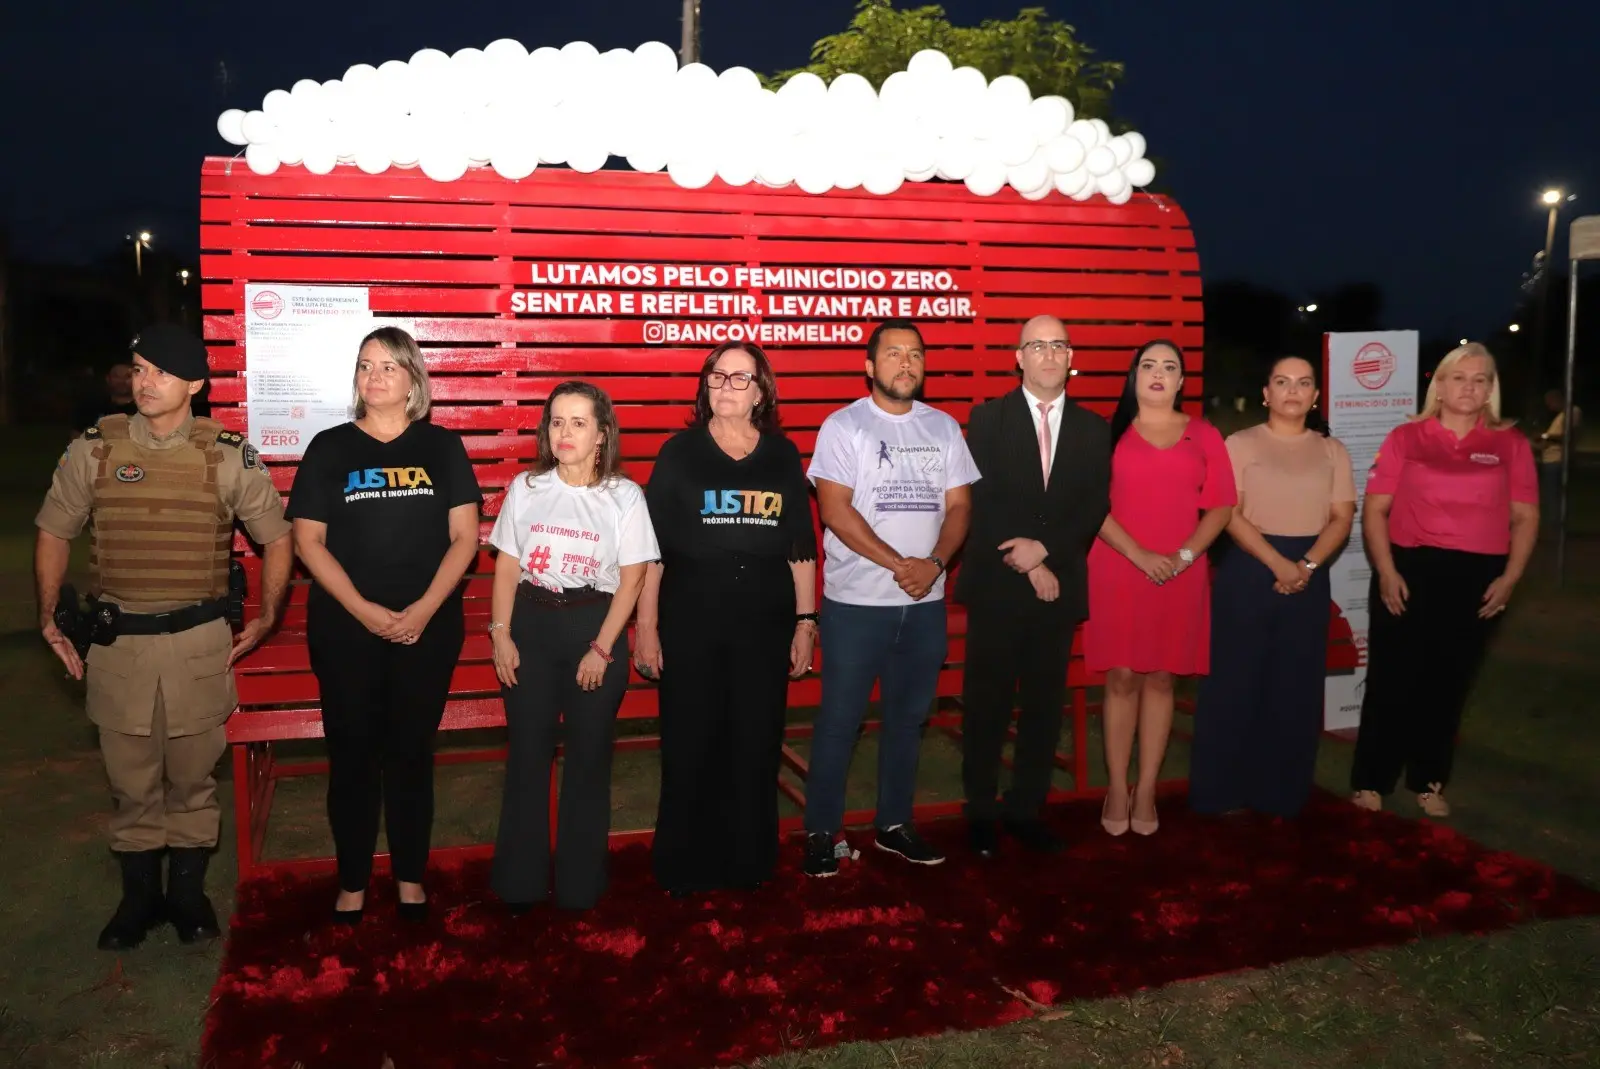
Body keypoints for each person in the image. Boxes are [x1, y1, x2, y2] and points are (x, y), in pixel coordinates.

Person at [35, 324, 292, 950]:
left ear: (196, 386)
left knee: (194, 779)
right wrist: (47, 614)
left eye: (160, 372)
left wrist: (265, 616)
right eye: (139, 368)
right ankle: (138, 900)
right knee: (130, 780)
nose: (143, 382)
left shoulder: (227, 454)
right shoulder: (95, 449)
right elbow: (53, 531)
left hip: (197, 646)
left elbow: (277, 537)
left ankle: (187, 896)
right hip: (119, 645)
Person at [287, 327, 482, 923]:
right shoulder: (329, 449)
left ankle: (409, 877)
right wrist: (366, 611)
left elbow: (465, 537)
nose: (375, 377)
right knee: (351, 756)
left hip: (427, 630)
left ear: (414, 381)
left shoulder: (443, 448)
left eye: (389, 367)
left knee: (409, 754)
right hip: (347, 630)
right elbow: (308, 542)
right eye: (366, 365)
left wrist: (422, 610)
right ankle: (351, 880)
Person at [634, 343, 817, 896]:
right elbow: (651, 550)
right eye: (717, 376)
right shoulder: (678, 454)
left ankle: (749, 863)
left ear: (761, 391)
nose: (727, 385)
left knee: (756, 742)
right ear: (704, 386)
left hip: (765, 625)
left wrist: (806, 621)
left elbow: (801, 545)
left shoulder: (783, 456)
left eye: (741, 377)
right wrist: (646, 627)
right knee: (690, 743)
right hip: (690, 623)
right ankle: (684, 865)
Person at [802, 319, 980, 877]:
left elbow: (959, 508)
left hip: (924, 607)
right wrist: (901, 564)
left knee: (908, 721)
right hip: (857, 604)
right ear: (870, 365)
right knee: (839, 721)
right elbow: (834, 509)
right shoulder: (844, 426)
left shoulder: (945, 428)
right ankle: (821, 832)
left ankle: (894, 824)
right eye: (894, 354)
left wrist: (934, 566)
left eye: (916, 354)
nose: (906, 363)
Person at [488, 381, 658, 912]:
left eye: (578, 423)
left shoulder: (625, 496)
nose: (565, 433)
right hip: (530, 626)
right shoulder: (527, 487)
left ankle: (581, 886)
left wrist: (602, 649)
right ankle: (519, 882)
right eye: (557, 422)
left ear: (602, 435)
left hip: (594, 627)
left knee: (587, 761)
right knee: (527, 759)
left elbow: (632, 579)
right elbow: (507, 565)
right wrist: (501, 635)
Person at [1350, 343, 1538, 817]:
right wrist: (1386, 570)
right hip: (1409, 570)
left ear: (1491, 389)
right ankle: (1371, 780)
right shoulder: (1406, 437)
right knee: (1392, 680)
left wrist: (1510, 579)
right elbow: (1374, 510)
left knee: (1448, 682)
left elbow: (1525, 517)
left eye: (1480, 379)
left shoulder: (1510, 444)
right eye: (1460, 377)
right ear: (1441, 385)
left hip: (1477, 577)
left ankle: (1429, 780)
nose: (1469, 387)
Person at [958, 315, 1110, 857]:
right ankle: (979, 810)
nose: (1049, 353)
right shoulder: (987, 419)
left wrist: (1047, 552)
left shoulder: (1094, 428)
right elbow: (983, 498)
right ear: (1019, 357)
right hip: (999, 582)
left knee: (1044, 708)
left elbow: (1093, 505)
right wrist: (1029, 561)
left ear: (1071, 358)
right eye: (1037, 345)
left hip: (1058, 586)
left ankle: (1026, 808)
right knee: (987, 705)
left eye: (1058, 345)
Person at [1189, 356, 1355, 818]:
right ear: (1266, 393)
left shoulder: (1332, 451)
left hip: (1309, 574)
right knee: (1233, 685)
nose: (1292, 390)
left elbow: (1342, 517)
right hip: (1248, 569)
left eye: (1303, 383)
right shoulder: (1238, 444)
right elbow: (1228, 513)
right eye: (1282, 381)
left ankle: (1280, 793)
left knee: (1295, 689)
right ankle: (1219, 792)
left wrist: (1306, 564)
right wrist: (1279, 564)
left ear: (1316, 396)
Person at [1086, 340, 1235, 836]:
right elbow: (1089, 504)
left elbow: (1220, 507)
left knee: (1163, 677)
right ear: (1133, 377)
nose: (1157, 373)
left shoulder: (1205, 435)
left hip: (1181, 571)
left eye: (1169, 367)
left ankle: (1146, 787)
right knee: (1123, 675)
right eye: (1148, 365)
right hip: (1118, 566)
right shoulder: (1110, 434)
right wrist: (1139, 555)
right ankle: (1115, 784)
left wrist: (1185, 556)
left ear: (1181, 382)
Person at [1537, 388, 1579, 534]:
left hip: (1558, 460)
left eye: (1550, 402)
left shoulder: (1572, 412)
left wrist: (1545, 437)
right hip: (1551, 459)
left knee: (1555, 495)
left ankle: (1557, 527)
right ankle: (1555, 526)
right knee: (1550, 495)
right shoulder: (1560, 416)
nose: (1549, 406)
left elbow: (1566, 436)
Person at [71, 360, 137, 430]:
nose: (122, 381)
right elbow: (77, 434)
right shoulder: (91, 407)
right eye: (116, 376)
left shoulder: (144, 408)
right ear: (108, 379)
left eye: (128, 376)